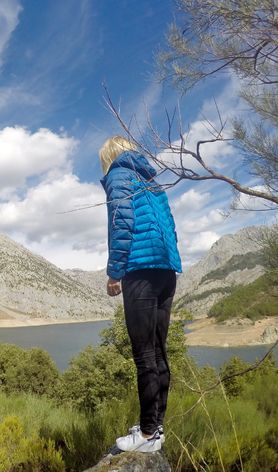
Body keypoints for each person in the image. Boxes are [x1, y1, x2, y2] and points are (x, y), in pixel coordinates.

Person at [99, 136, 182, 453]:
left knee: (144, 355)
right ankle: (156, 427)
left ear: (109, 155)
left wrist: (114, 272)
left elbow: (121, 223)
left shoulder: (118, 174)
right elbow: (171, 227)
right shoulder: (152, 181)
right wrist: (170, 263)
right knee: (159, 351)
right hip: (165, 271)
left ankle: (147, 434)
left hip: (140, 271)